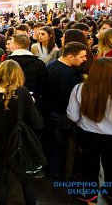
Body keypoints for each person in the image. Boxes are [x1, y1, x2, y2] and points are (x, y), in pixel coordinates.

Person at [67, 58, 112, 205]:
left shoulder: (80, 89)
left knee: (89, 167)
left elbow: (72, 115)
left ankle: (90, 197)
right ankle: (110, 194)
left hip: (88, 135)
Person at [0, 60, 43, 205]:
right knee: (27, 181)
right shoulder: (22, 93)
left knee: (2, 179)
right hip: (20, 144)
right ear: (18, 74)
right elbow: (38, 124)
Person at [44, 42, 88, 179]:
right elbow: (68, 97)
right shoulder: (62, 72)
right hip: (59, 113)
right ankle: (55, 171)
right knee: (59, 144)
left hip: (53, 111)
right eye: (82, 57)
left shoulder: (54, 65)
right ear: (70, 56)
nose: (85, 59)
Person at [8, 34, 47, 111]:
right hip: (34, 104)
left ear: (16, 47)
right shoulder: (39, 63)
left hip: (11, 103)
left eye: (11, 43)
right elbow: (43, 86)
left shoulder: (6, 64)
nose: (9, 45)